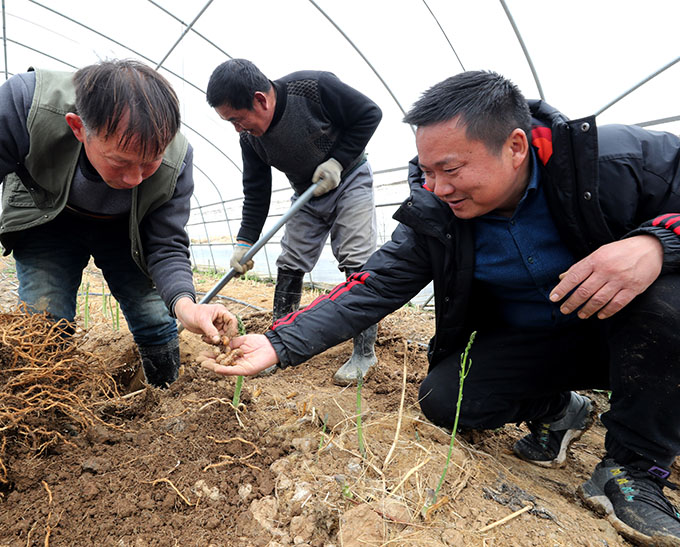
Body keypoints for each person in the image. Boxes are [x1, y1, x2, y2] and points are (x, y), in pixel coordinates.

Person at [202, 71, 680, 544]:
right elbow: (373, 284)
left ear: (515, 148)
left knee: (665, 298)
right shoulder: (437, 214)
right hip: (537, 344)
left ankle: (632, 470)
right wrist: (276, 341)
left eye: (450, 170)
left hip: (636, 341)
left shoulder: (608, 162)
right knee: (445, 399)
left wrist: (656, 243)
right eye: (427, 172)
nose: (436, 188)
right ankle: (561, 411)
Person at [0, 59, 236, 387]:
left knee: (154, 318)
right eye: (120, 161)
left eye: (150, 162)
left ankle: (165, 393)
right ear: (79, 128)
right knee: (44, 323)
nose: (135, 179)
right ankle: (50, 415)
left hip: (124, 228)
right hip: (45, 218)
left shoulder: (178, 158)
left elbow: (165, 243)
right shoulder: (25, 106)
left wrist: (187, 305)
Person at [205, 58, 383, 385]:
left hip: (350, 179)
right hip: (307, 193)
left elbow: (369, 114)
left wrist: (338, 161)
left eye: (237, 119)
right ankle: (278, 342)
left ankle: (364, 352)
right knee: (290, 260)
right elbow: (256, 192)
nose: (237, 129)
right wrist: (244, 243)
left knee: (357, 260)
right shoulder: (251, 141)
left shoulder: (314, 89)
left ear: (260, 99)